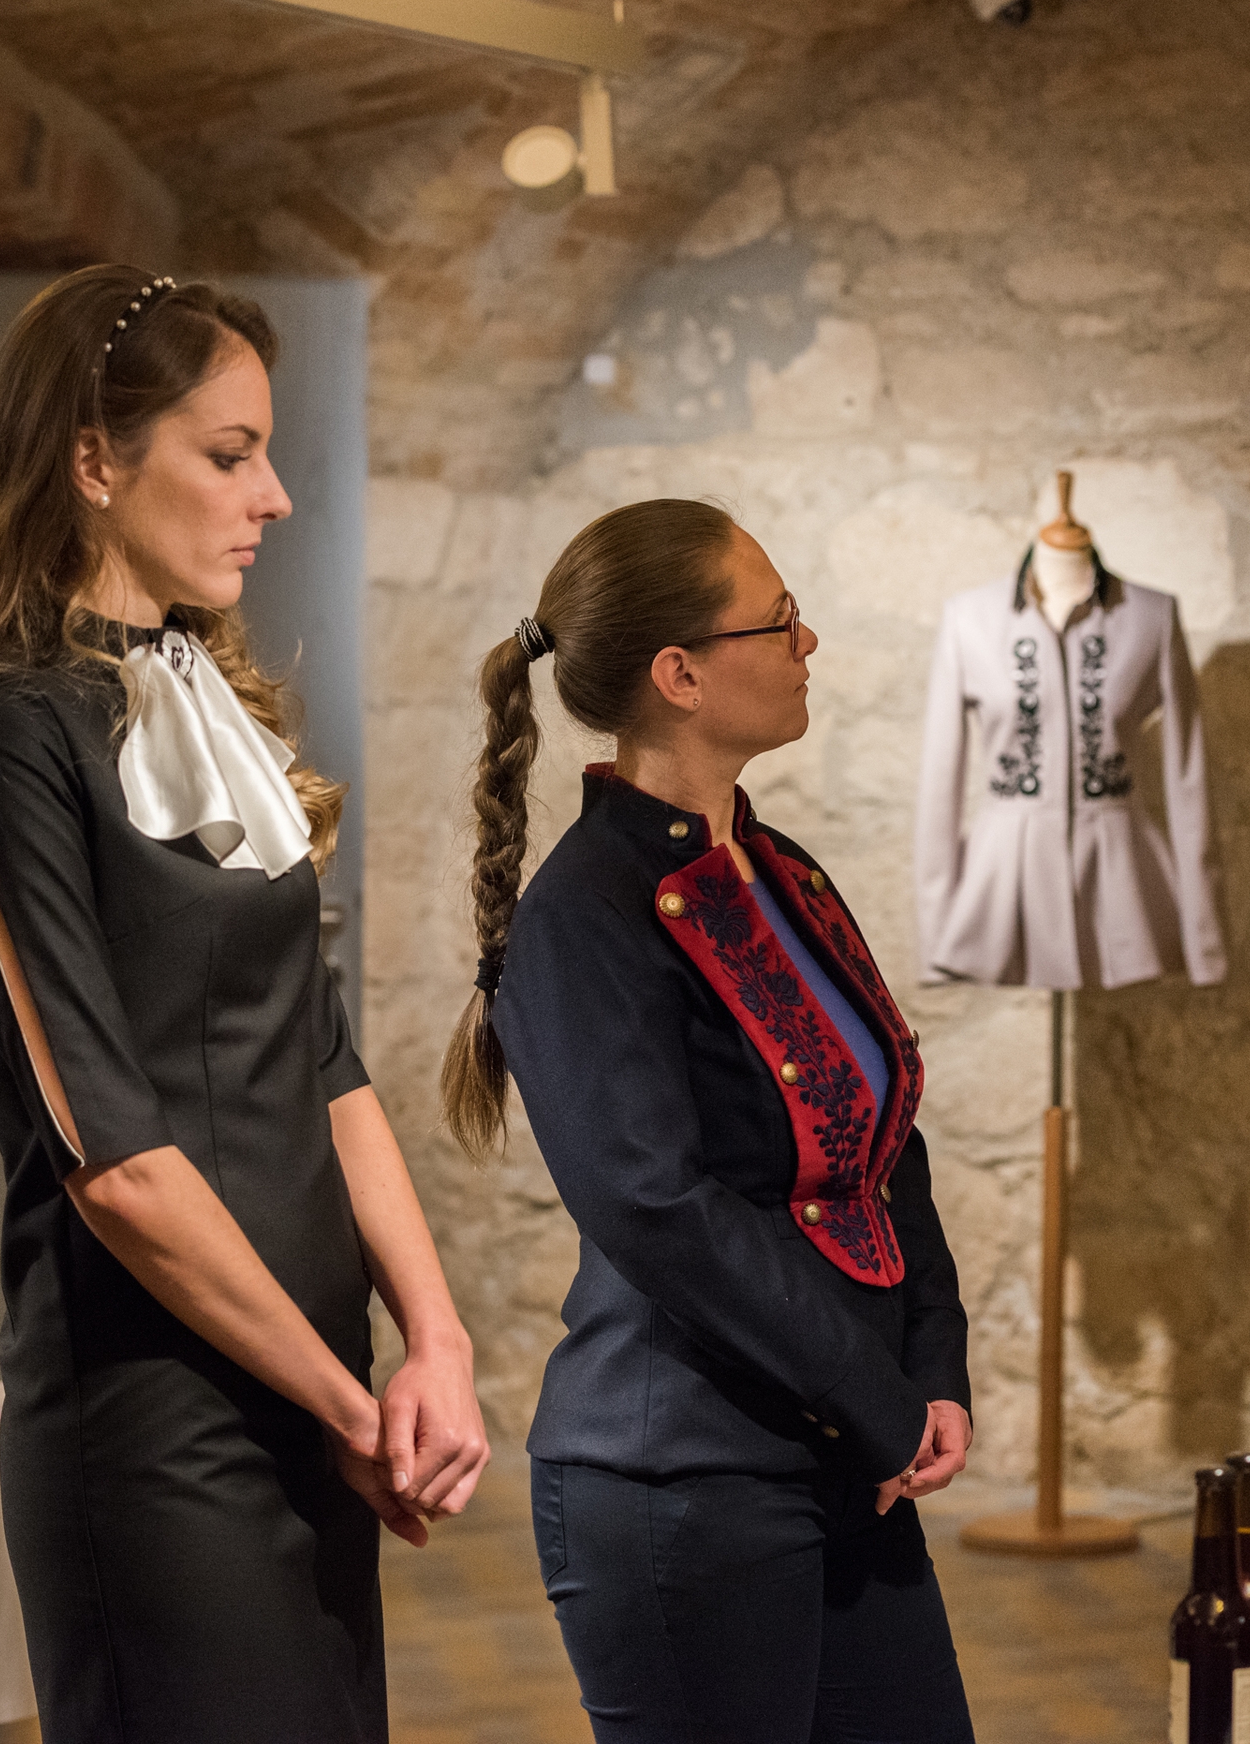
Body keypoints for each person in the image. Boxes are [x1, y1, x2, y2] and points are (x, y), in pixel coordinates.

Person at [0, 264, 488, 1744]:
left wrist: (435, 1343)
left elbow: (326, 1065)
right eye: (229, 453)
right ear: (93, 459)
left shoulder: (206, 695)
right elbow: (114, 1161)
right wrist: (346, 1406)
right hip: (158, 1427)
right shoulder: (0, 729)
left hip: (314, 1392)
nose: (273, 497)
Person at [445, 499, 977, 1742]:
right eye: (779, 620)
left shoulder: (781, 869)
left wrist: (931, 1366)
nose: (807, 641)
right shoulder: (584, 913)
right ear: (679, 675)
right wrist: (877, 1396)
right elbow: (656, 1209)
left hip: (846, 1448)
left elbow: (882, 1131)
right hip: (682, 1476)